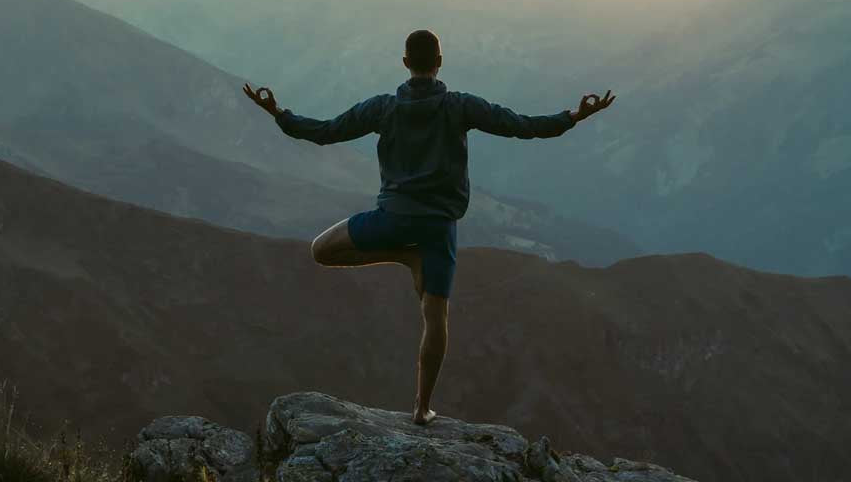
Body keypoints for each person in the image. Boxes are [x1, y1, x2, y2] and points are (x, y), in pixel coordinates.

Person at [243, 29, 616, 425]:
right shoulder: (459, 106)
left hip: (391, 219)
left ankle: (404, 255)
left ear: (405, 63)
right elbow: (521, 126)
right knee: (436, 318)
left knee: (320, 250)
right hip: (439, 227)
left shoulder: (382, 108)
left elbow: (324, 132)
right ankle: (421, 408)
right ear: (440, 62)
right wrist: (574, 116)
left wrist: (277, 112)